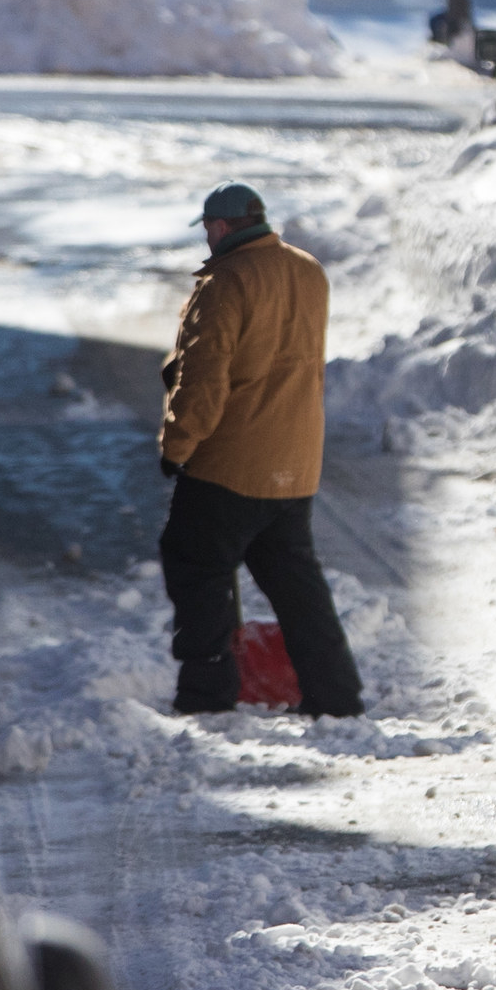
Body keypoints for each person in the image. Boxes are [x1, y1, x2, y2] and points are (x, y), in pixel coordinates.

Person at [157, 182, 364, 717]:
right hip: (294, 466)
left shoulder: (226, 281)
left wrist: (178, 445)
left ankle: (207, 695)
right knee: (298, 588)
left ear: (222, 227)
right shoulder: (308, 270)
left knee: (196, 568)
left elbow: (204, 381)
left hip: (230, 464)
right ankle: (335, 694)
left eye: (207, 227)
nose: (206, 237)